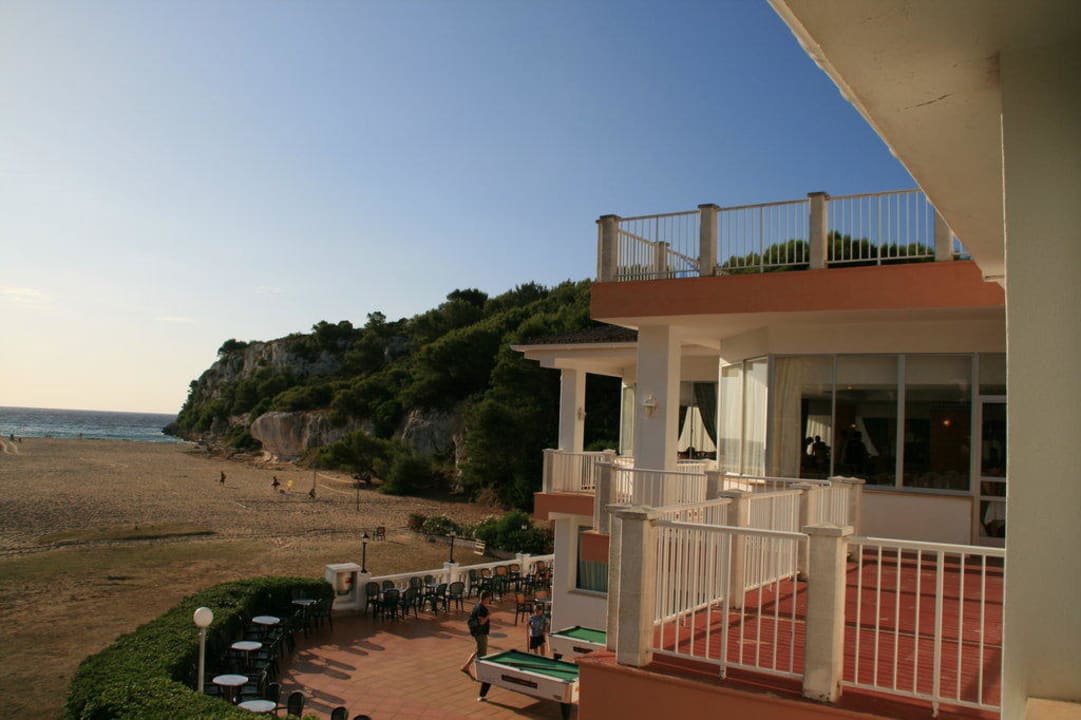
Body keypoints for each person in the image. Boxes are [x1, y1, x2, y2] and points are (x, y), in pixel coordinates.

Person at [460, 591, 493, 682]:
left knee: (478, 649)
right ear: (485, 599)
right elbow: (481, 622)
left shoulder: (477, 606)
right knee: (482, 653)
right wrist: (488, 616)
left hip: (477, 632)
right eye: (488, 598)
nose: (489, 600)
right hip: (480, 632)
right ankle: (481, 674)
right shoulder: (481, 609)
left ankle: (466, 666)